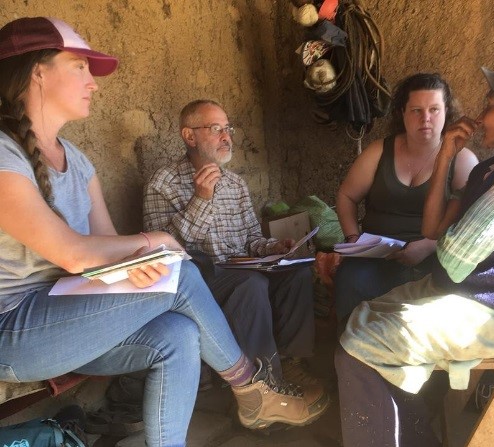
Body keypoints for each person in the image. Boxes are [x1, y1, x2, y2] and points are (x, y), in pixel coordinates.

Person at [0, 17, 328, 447]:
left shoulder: (78, 162)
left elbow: (107, 249)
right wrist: (154, 243)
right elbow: (75, 255)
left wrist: (132, 268)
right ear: (37, 72)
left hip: (70, 318)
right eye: (79, 66)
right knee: (182, 277)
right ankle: (252, 388)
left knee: (178, 333)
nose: (93, 83)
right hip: (16, 331)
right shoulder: (5, 153)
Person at [335, 57, 494, 447]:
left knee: (356, 349)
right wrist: (444, 157)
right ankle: (417, 437)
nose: (481, 114)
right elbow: (432, 230)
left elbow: (452, 259)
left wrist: (447, 235)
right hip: (470, 295)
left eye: (490, 105)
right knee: (361, 317)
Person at [143, 99, 321, 388]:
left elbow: (251, 238)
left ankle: (293, 363)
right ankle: (262, 387)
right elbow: (162, 253)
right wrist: (201, 198)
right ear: (189, 136)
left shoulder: (235, 183)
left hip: (241, 269)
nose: (227, 137)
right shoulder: (162, 183)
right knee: (250, 285)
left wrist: (274, 248)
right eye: (216, 129)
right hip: (198, 280)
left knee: (297, 273)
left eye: (228, 129)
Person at [334, 73, 478, 323]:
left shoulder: (463, 160)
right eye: (416, 110)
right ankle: (352, 356)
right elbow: (347, 195)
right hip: (376, 256)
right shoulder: (380, 150)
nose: (426, 118)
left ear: (447, 112)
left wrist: (429, 246)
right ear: (402, 113)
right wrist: (353, 239)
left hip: (432, 257)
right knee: (350, 279)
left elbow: (470, 224)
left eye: (434, 109)